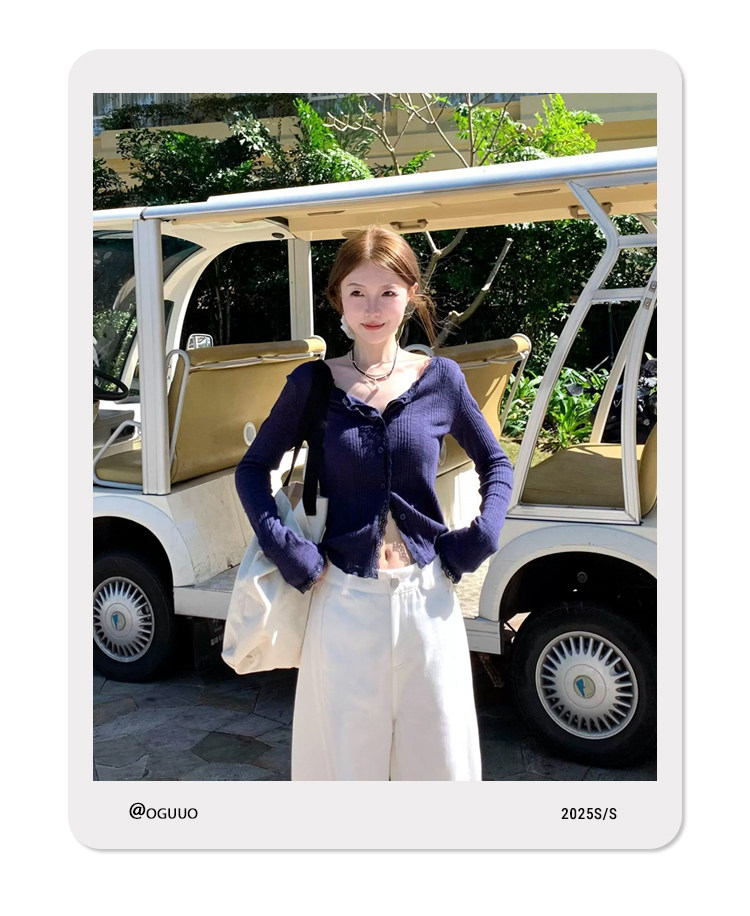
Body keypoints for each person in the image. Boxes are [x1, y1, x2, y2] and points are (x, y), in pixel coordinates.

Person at [235, 226, 514, 781]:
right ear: (337, 298)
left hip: (428, 600)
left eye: (387, 292)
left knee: (439, 767)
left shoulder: (441, 380)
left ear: (411, 295)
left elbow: (497, 463)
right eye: (357, 292)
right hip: (342, 600)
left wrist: (482, 536)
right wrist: (290, 553)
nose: (372, 308)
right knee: (345, 772)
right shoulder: (313, 384)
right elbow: (251, 470)